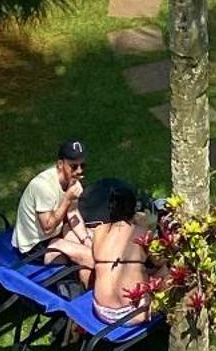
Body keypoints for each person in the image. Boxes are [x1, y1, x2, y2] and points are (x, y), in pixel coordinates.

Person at [13, 137, 94, 279]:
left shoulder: (72, 181)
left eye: (83, 165)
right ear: (60, 164)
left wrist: (86, 239)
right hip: (34, 245)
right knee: (87, 256)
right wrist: (67, 198)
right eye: (74, 166)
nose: (80, 171)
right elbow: (47, 227)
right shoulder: (43, 187)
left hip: (54, 233)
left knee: (93, 244)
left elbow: (73, 212)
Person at [88, 183, 154, 324]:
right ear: (133, 209)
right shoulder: (141, 233)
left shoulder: (99, 231)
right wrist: (149, 227)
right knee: (166, 269)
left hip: (102, 311)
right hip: (132, 313)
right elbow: (159, 259)